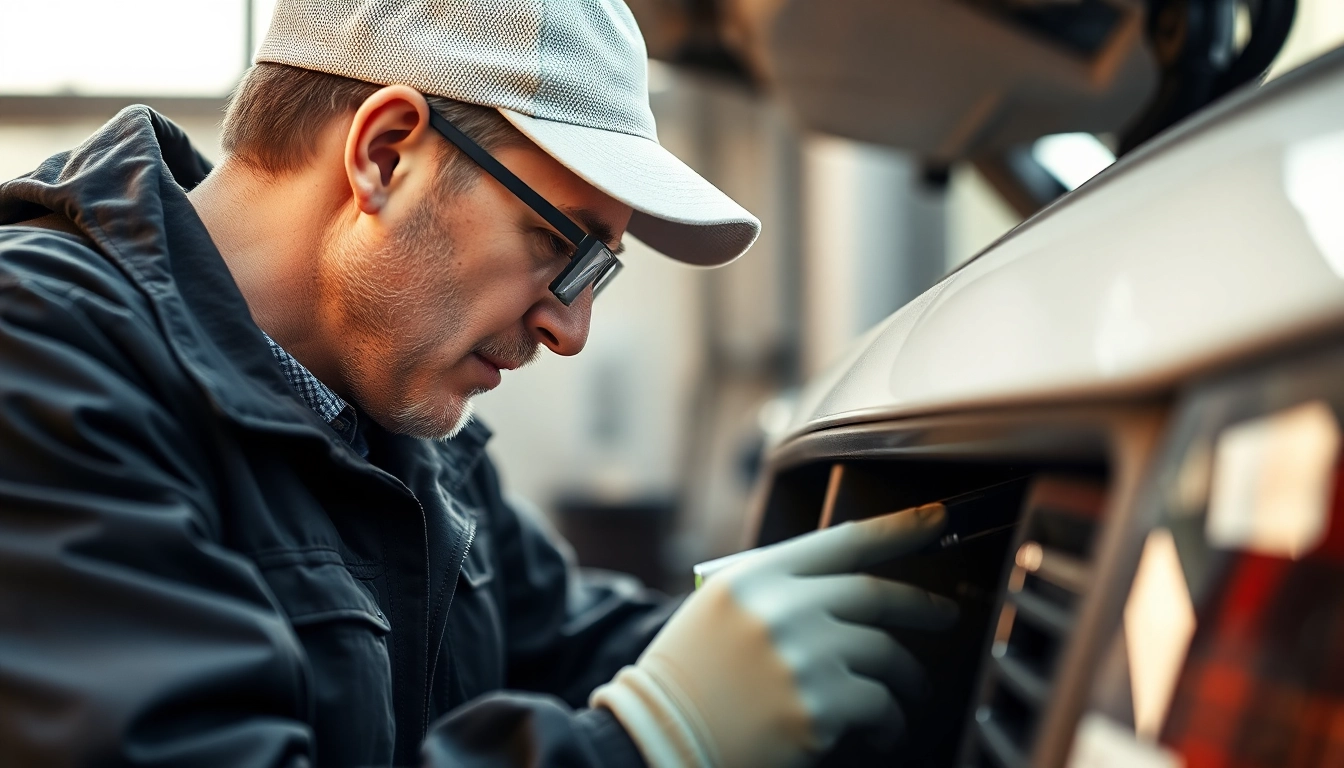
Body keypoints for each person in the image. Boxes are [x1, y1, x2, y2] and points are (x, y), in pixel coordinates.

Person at [0, 1, 957, 766]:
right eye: (559, 244)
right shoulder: (41, 356)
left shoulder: (396, 424)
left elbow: (571, 642)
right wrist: (649, 740)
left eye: (599, 272)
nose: (569, 330)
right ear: (386, 154)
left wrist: (826, 624)